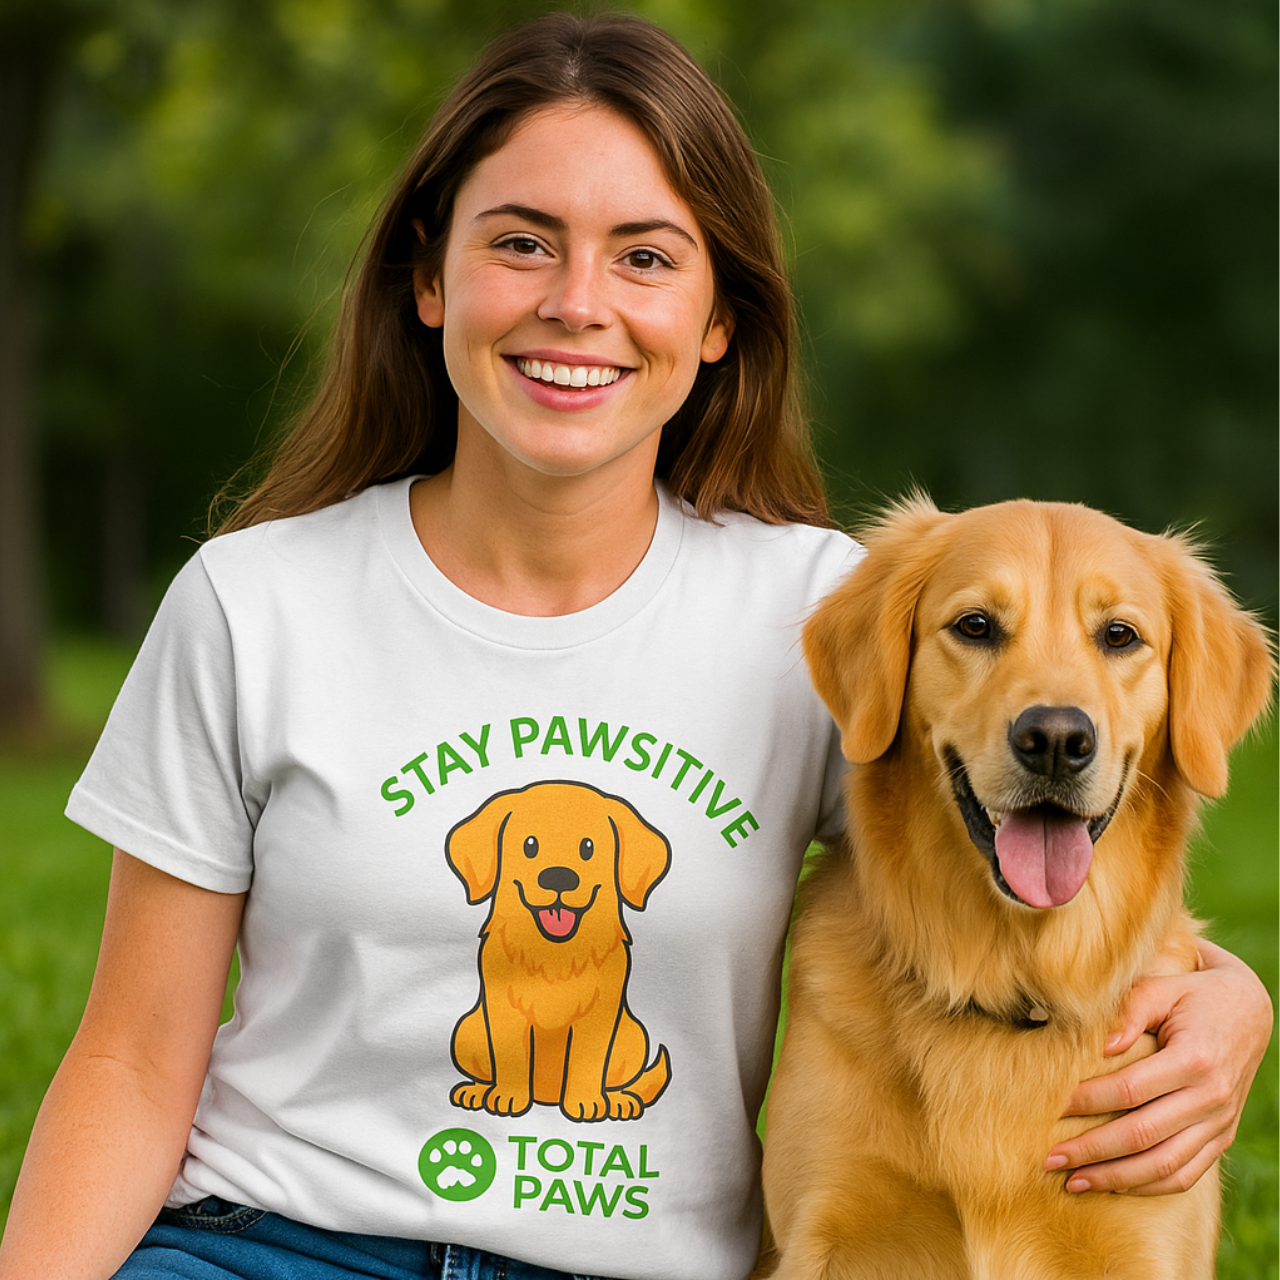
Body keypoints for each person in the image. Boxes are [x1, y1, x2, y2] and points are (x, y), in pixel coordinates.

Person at [0, 14, 1270, 1280]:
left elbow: (1022, 847)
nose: (575, 303)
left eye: (645, 257)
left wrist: (1233, 998)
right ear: (427, 278)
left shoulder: (810, 613)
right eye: (520, 242)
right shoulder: (251, 601)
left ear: (716, 318)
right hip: (276, 1245)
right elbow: (131, 1058)